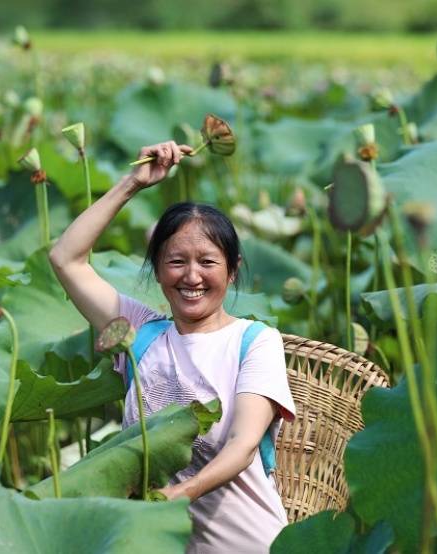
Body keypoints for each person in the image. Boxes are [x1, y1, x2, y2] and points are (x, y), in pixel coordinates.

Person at [49, 140, 296, 553]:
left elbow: (242, 446)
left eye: (208, 262)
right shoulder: (140, 335)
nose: (192, 276)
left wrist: (178, 496)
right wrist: (133, 183)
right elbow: (65, 258)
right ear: (158, 270)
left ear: (232, 271)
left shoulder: (254, 342)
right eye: (177, 261)